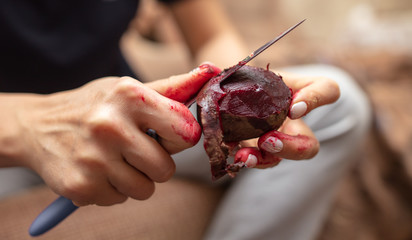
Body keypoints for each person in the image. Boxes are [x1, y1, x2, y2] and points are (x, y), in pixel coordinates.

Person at [0, 0, 371, 239]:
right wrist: (29, 126)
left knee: (342, 106)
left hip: (132, 118)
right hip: (10, 148)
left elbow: (211, 34)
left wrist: (240, 93)